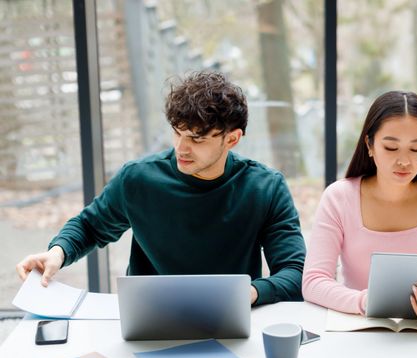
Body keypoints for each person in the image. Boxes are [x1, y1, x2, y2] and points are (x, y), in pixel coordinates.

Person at [15, 71, 305, 306]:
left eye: (197, 138)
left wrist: (251, 293)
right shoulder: (138, 179)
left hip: (231, 319)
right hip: (148, 319)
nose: (182, 148)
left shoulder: (265, 187)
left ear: (232, 139)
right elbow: (90, 226)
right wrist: (58, 251)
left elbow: (295, 273)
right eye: (177, 132)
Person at [302, 91, 417, 324]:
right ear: (369, 144)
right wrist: (363, 302)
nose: (404, 161)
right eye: (391, 148)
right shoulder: (338, 197)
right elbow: (314, 282)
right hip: (357, 329)